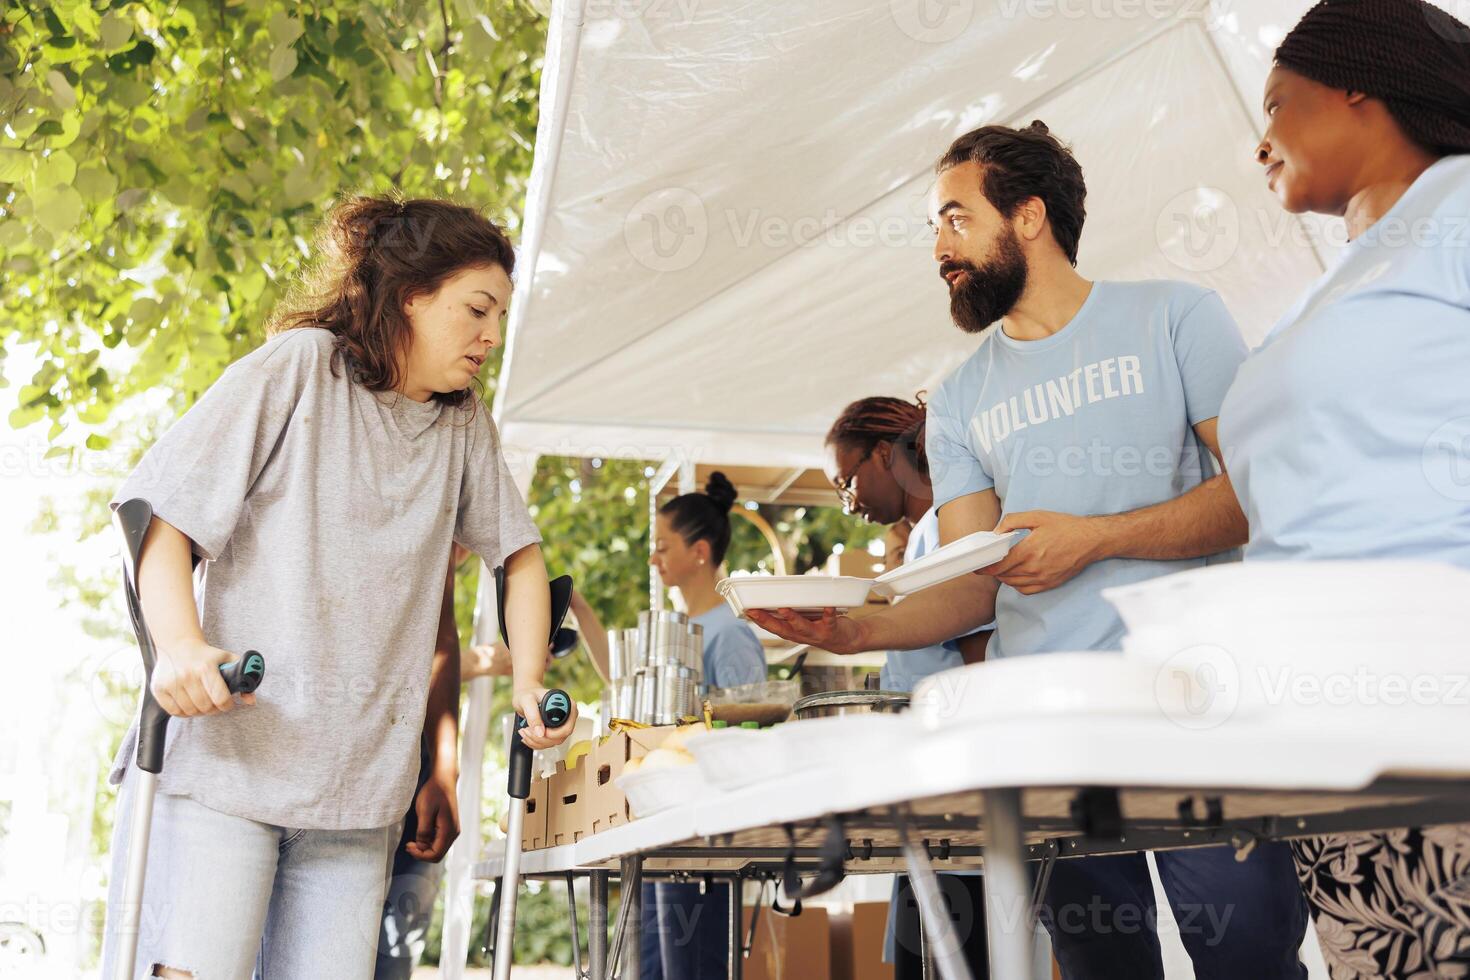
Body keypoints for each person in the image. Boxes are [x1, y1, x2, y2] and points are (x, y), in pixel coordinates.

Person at [751, 123, 1308, 979]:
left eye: (954, 219)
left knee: (1250, 961)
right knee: (1101, 969)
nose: (939, 248)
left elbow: (1255, 494)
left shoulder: (1175, 316)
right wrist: (859, 632)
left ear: (1030, 217)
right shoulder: (964, 397)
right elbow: (975, 585)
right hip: (1052, 746)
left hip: (1201, 712)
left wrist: (1097, 541)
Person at [99, 196, 576, 980]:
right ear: (409, 296)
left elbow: (518, 557)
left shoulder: (462, 427)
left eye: (499, 317)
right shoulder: (300, 370)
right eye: (477, 310)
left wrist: (529, 683)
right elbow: (164, 519)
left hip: (358, 799)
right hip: (232, 769)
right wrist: (179, 647)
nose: (491, 337)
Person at [1218, 1, 1470, 974]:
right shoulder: (1344, 281)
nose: (1259, 143)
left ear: (1357, 83)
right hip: (1342, 748)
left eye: (1276, 104)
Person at [376, 546, 607, 979]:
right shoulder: (406, 558)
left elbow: (440, 649)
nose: (463, 544)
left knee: (398, 944)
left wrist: (446, 771)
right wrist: (483, 662)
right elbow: (404, 666)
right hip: (377, 774)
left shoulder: (444, 575)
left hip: (423, 778)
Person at [826, 393, 993, 978]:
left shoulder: (948, 529)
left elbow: (981, 662)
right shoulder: (925, 534)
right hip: (929, 815)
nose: (851, 503)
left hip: (957, 822)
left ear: (882, 454)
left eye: (849, 482)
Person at [641, 472, 766, 978]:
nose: (654, 558)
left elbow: (748, 730)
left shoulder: (731, 633)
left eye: (661, 546)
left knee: (693, 966)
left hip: (706, 835)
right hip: (664, 825)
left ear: (699, 551)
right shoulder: (679, 630)